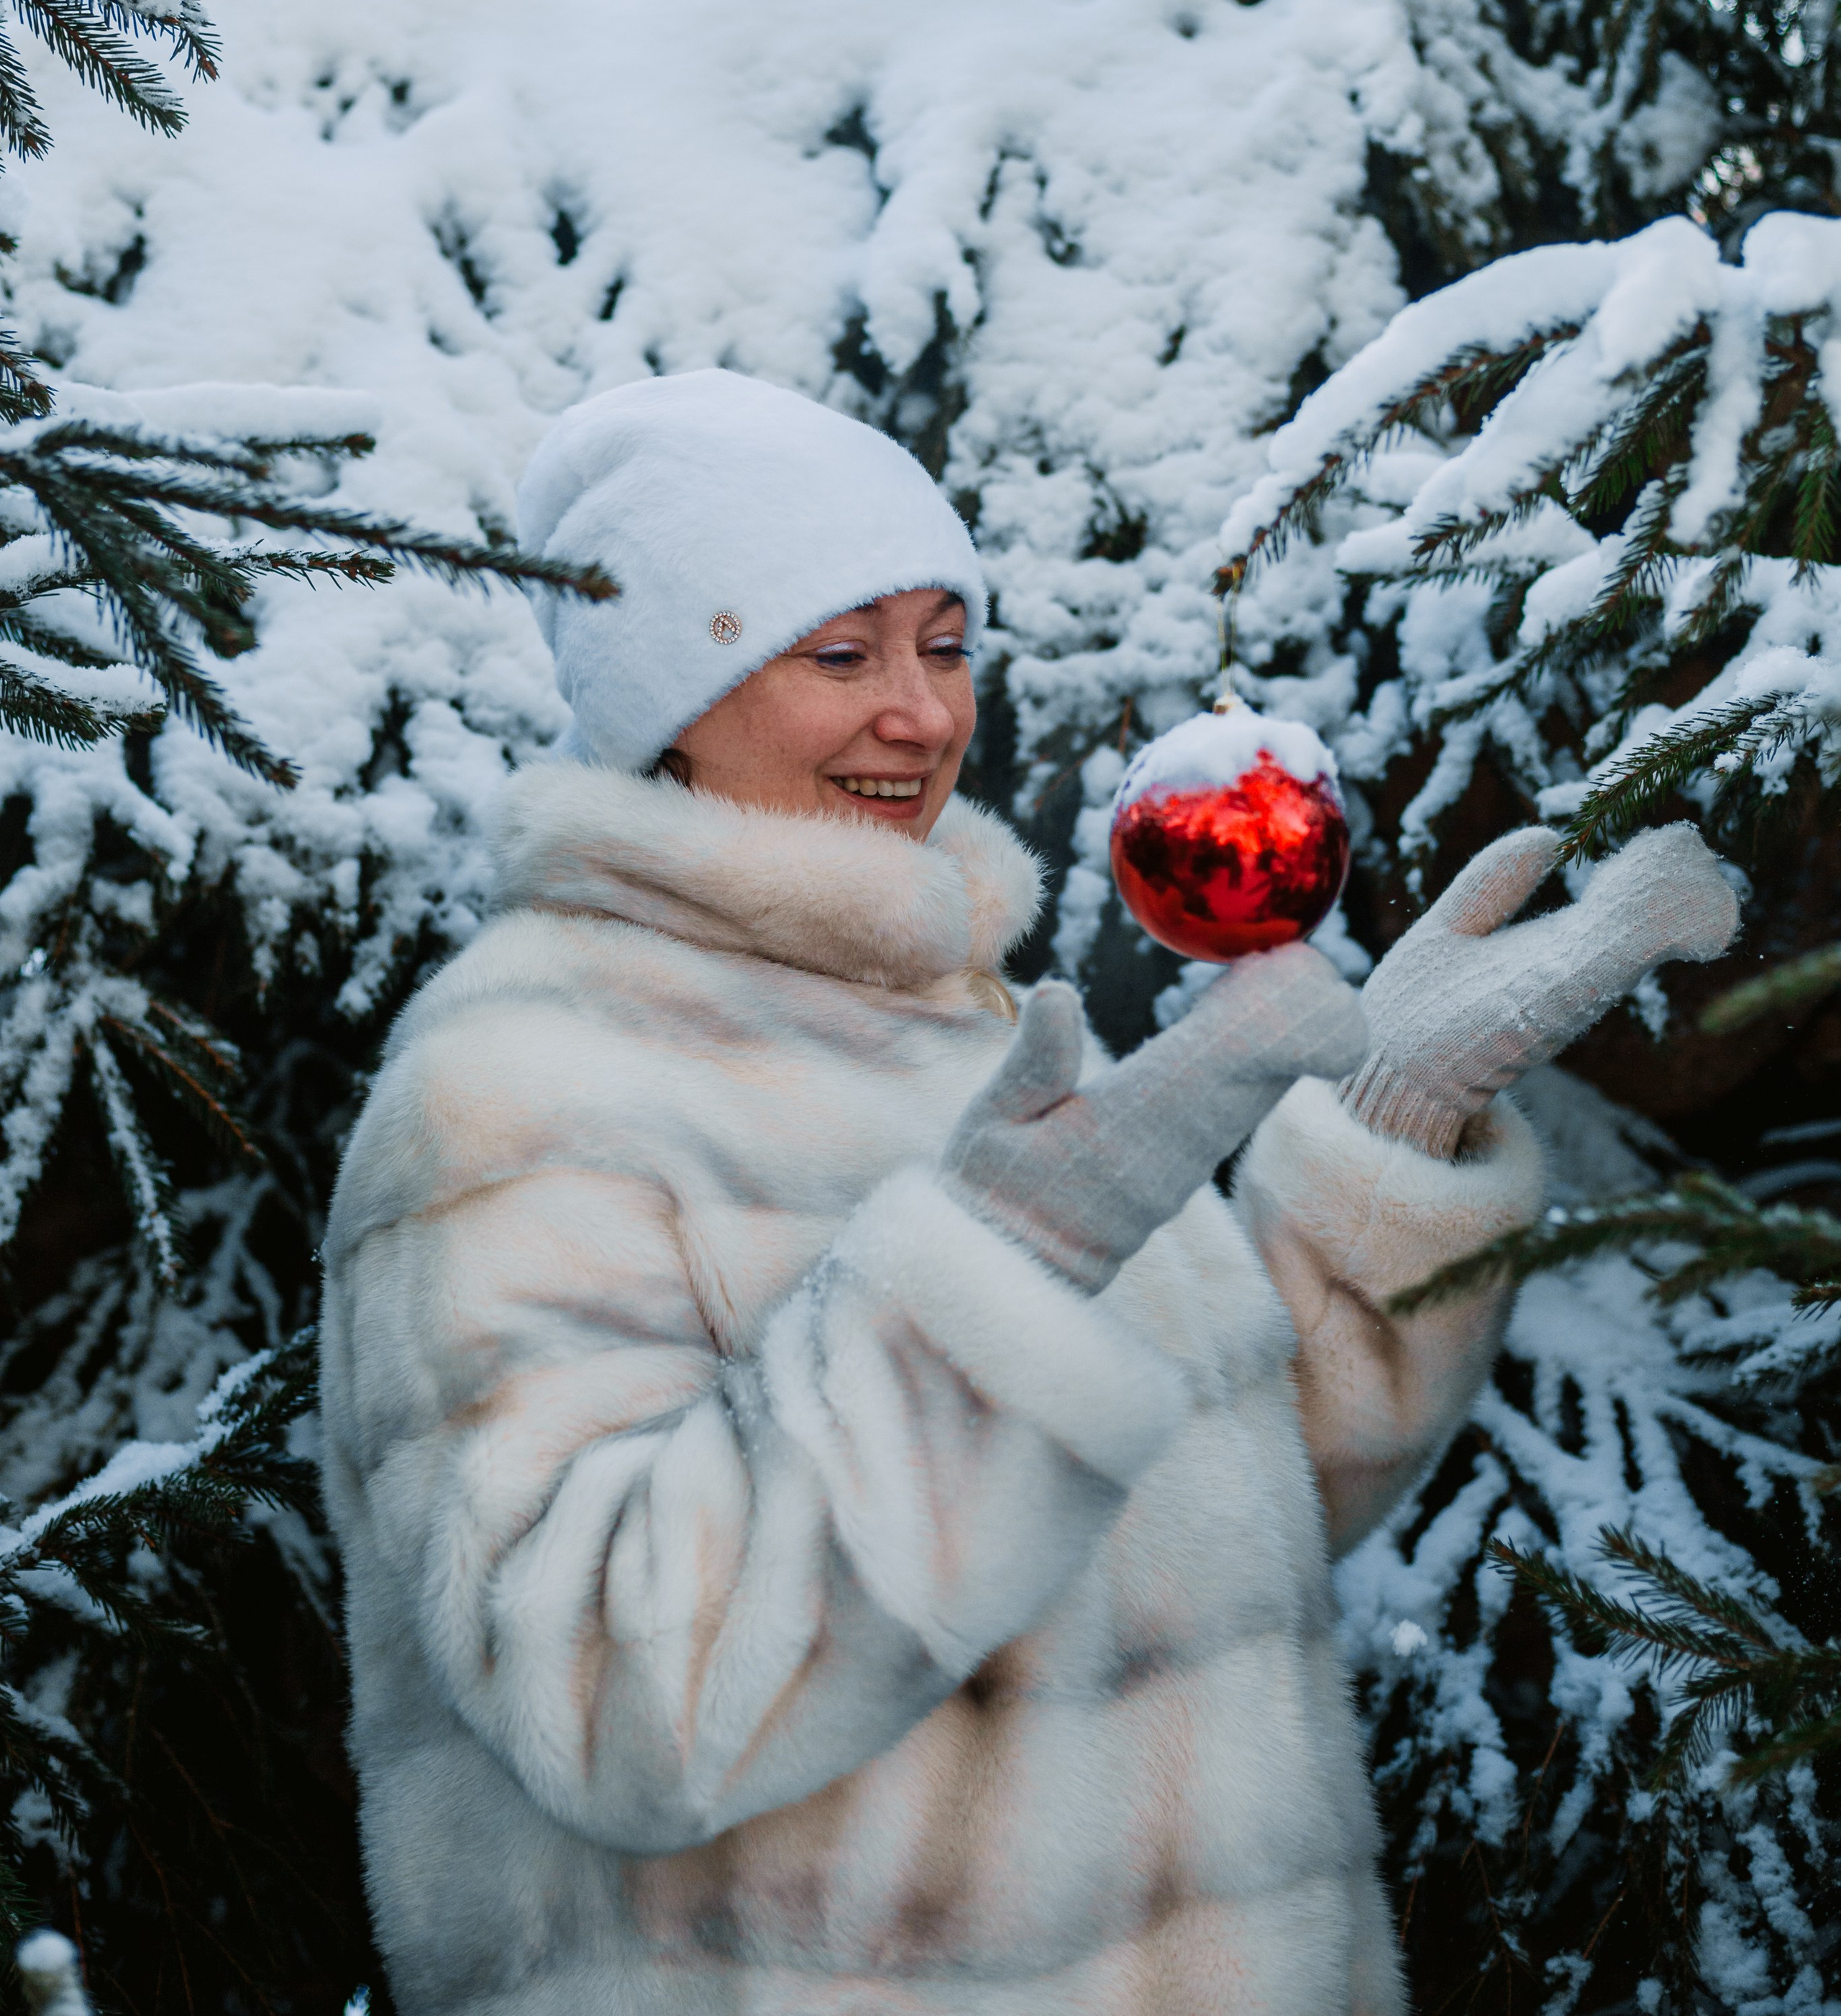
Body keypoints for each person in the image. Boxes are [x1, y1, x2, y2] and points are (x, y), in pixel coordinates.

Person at [319, 368, 1738, 2016]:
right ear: (668, 699)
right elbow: (627, 1687)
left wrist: (1389, 1119)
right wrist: (995, 1268)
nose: (918, 713)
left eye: (944, 641)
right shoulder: (521, 1084)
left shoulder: (953, 1026)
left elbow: (1210, 1515)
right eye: (838, 653)